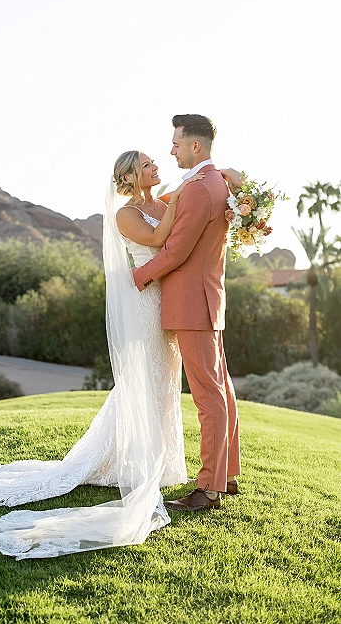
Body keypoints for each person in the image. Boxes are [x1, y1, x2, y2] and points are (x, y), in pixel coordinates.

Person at [0, 145, 238, 558]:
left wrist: (225, 180)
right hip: (147, 303)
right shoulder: (128, 213)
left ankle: (162, 463)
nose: (156, 164)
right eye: (147, 164)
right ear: (129, 176)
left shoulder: (161, 201)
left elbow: (195, 220)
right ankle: (122, 460)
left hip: (170, 302)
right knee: (144, 382)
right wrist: (182, 193)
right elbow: (164, 241)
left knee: (162, 384)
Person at [131, 114, 241, 511]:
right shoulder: (214, 182)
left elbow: (175, 251)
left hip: (193, 303)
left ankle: (209, 488)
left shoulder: (199, 189)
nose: (170, 149)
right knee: (221, 390)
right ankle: (226, 477)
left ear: (196, 146)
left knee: (208, 397)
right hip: (208, 299)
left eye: (176, 143)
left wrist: (138, 277)